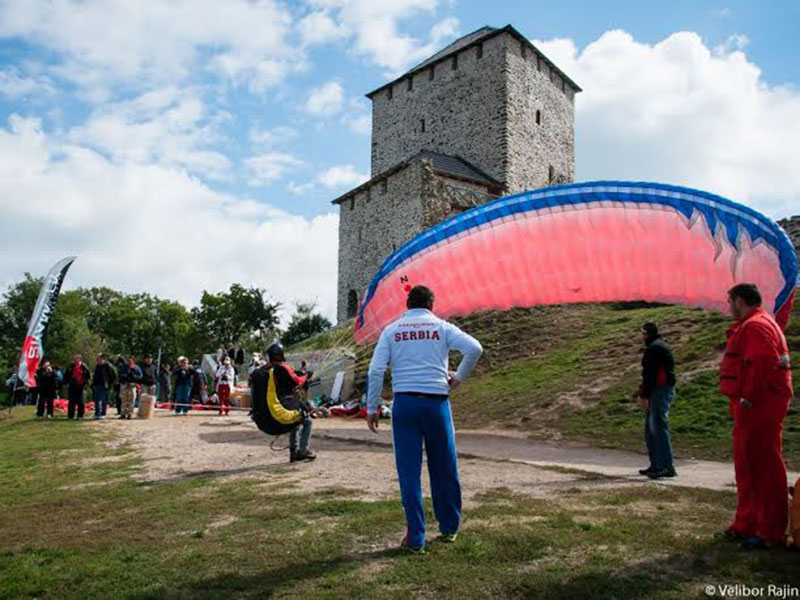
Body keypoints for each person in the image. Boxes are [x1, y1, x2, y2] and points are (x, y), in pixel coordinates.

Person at [367, 285, 483, 553]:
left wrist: (372, 407)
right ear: (431, 304)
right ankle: (449, 527)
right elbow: (474, 349)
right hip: (437, 403)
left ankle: (416, 537)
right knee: (444, 467)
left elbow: (375, 370)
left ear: (407, 303)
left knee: (409, 472)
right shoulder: (441, 327)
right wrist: (458, 378)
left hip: (405, 404)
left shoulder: (392, 330)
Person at [719, 283, 793, 550]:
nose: (729, 308)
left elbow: (762, 361)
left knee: (763, 466)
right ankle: (747, 523)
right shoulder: (761, 323)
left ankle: (769, 531)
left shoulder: (755, 326)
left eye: (730, 302)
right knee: (748, 465)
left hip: (759, 406)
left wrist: (748, 398)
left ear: (740, 301)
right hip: (756, 405)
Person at [633, 323, 677, 479]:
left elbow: (651, 375)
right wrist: (642, 389)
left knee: (657, 429)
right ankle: (657, 465)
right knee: (650, 430)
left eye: (642, 333)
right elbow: (650, 374)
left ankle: (666, 466)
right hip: (658, 389)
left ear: (647, 334)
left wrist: (645, 396)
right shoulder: (657, 346)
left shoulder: (654, 348)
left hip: (659, 390)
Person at [266, 342, 316, 462]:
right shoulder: (283, 367)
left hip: (279, 402)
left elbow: (291, 377)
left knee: (294, 423)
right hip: (288, 401)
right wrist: (307, 376)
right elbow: (297, 380)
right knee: (307, 421)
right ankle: (303, 450)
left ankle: (294, 452)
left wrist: (302, 370)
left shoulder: (270, 369)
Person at [65, 355, 91, 420]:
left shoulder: (84, 367)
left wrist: (87, 383)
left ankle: (80, 415)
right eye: (76, 359)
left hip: (81, 386)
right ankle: (71, 416)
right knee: (71, 402)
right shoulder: (71, 366)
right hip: (72, 385)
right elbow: (67, 374)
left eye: (78, 359)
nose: (77, 360)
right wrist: (66, 382)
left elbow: (88, 376)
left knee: (81, 402)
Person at [92, 353, 116, 419]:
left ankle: (103, 413)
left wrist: (110, 383)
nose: (97, 360)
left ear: (102, 358)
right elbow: (95, 376)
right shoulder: (97, 366)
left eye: (98, 358)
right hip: (97, 385)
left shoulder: (108, 366)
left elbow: (113, 376)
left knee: (104, 400)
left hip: (105, 385)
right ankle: (97, 413)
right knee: (97, 400)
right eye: (97, 359)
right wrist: (93, 384)